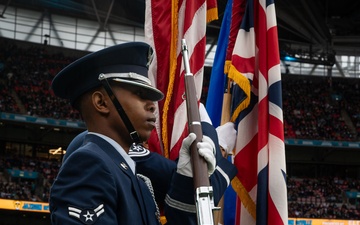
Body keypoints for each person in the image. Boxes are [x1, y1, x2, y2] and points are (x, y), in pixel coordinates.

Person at [49, 42, 237, 225]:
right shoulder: (89, 164)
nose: (152, 105)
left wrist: (187, 179)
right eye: (140, 94)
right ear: (101, 102)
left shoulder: (136, 179)